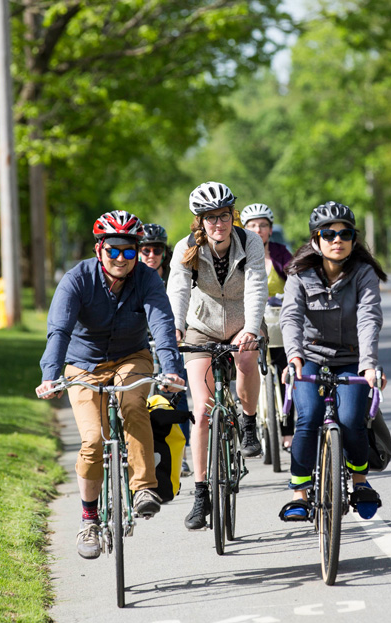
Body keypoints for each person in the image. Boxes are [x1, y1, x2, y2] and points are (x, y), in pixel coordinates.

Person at [36, 210, 185, 559]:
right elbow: (58, 330)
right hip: (83, 364)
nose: (121, 258)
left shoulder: (147, 279)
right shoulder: (77, 279)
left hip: (131, 357)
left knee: (134, 406)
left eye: (129, 251)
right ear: (99, 248)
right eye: (113, 250)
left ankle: (143, 489)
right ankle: (89, 519)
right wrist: (50, 375)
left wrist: (172, 370)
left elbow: (163, 325)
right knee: (91, 440)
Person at [277, 201, 388, 522]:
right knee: (308, 415)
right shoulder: (299, 274)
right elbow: (291, 317)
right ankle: (299, 494)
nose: (336, 239)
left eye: (344, 233)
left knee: (354, 418)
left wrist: (369, 365)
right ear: (316, 240)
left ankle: (360, 482)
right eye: (328, 234)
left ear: (354, 240)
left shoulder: (364, 274)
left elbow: (369, 318)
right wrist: (294, 356)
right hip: (310, 357)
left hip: (352, 358)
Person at [167, 181, 268, 530]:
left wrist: (251, 328)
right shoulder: (186, 248)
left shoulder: (250, 242)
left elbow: (257, 285)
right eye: (210, 218)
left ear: (232, 215)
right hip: (202, 326)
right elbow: (178, 290)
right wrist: (176, 328)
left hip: (244, 322)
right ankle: (200, 494)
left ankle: (249, 421)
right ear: (200, 221)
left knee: (246, 359)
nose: (218, 224)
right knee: (203, 409)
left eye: (223, 216)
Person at [240, 203, 294, 449]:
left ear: (271, 230)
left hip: (277, 320)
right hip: (247, 322)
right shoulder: (237, 254)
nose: (258, 230)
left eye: (263, 225)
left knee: (286, 374)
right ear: (243, 230)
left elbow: (296, 280)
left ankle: (288, 431)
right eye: (252, 225)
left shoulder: (281, 253)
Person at [139, 223, 191, 477]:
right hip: (141, 342)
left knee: (178, 395)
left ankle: (181, 453)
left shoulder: (174, 276)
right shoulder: (134, 275)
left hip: (170, 340)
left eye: (156, 250)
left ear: (165, 252)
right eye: (145, 250)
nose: (151, 255)